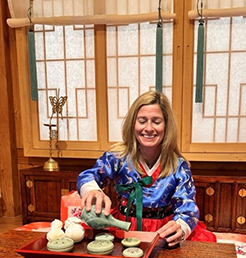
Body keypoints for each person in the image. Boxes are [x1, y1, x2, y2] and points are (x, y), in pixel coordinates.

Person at [77, 91, 216, 247]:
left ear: (166, 126)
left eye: (156, 121)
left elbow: (187, 206)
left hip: (163, 231)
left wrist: (181, 226)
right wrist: (93, 191)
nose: (149, 128)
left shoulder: (178, 166)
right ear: (133, 124)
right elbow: (89, 176)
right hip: (123, 226)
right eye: (142, 121)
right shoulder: (117, 157)